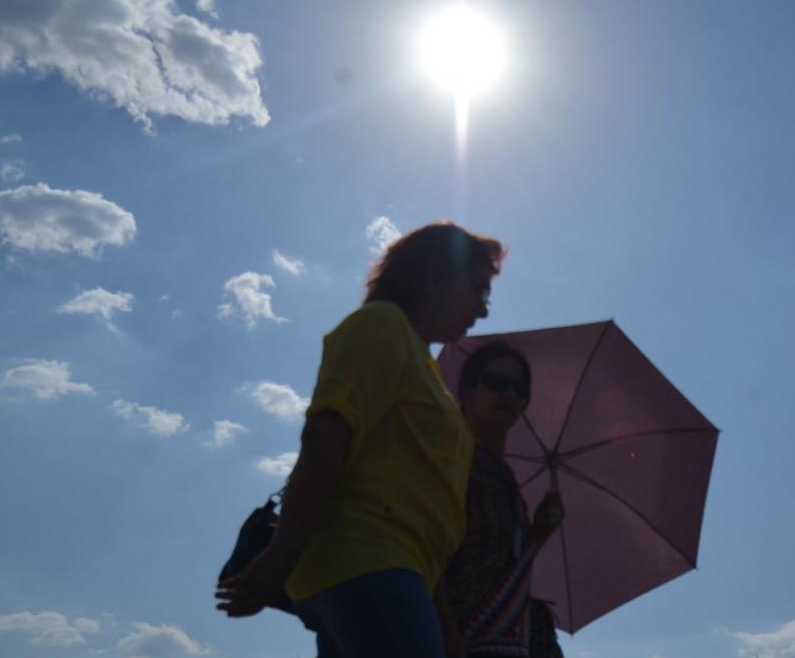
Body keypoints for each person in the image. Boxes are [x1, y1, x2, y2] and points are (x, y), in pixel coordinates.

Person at [216, 221, 504, 658]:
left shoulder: (423, 367)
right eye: (476, 289)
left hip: (394, 571)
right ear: (432, 276)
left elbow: (422, 517)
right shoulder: (381, 326)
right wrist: (278, 559)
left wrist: (446, 631)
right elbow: (326, 437)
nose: (483, 309)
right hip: (367, 562)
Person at [441, 342, 566, 658]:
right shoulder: (447, 459)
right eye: (496, 382)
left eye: (520, 389)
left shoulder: (506, 481)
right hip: (454, 638)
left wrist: (537, 535)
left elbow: (499, 566)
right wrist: (445, 634)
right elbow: (426, 552)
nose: (509, 394)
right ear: (468, 390)